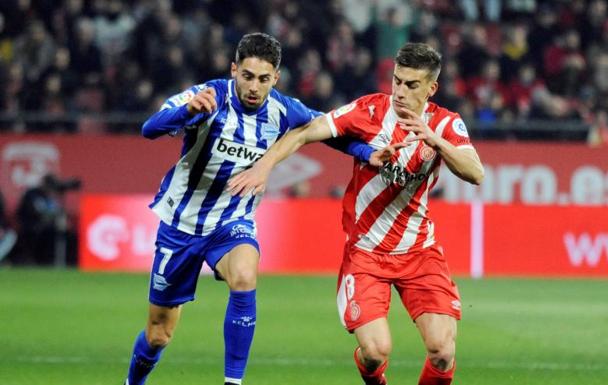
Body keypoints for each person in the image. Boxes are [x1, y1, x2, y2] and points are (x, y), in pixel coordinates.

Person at [123, 32, 400, 385]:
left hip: (232, 221)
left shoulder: (284, 110)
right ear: (234, 70)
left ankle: (233, 382)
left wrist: (366, 153)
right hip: (181, 223)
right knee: (158, 334)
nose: (255, 87)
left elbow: (329, 130)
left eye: (264, 79)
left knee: (244, 275)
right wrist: (186, 112)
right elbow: (149, 128)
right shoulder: (207, 96)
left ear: (276, 78)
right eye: (248, 76)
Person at [228, 42, 484, 385]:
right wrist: (265, 166)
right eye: (397, 81)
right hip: (367, 254)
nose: (400, 91)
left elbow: (475, 173)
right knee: (376, 351)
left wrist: (435, 141)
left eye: (411, 85)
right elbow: (308, 131)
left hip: (420, 252)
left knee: (442, 352)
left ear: (431, 88)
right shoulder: (370, 112)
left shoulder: (446, 124)